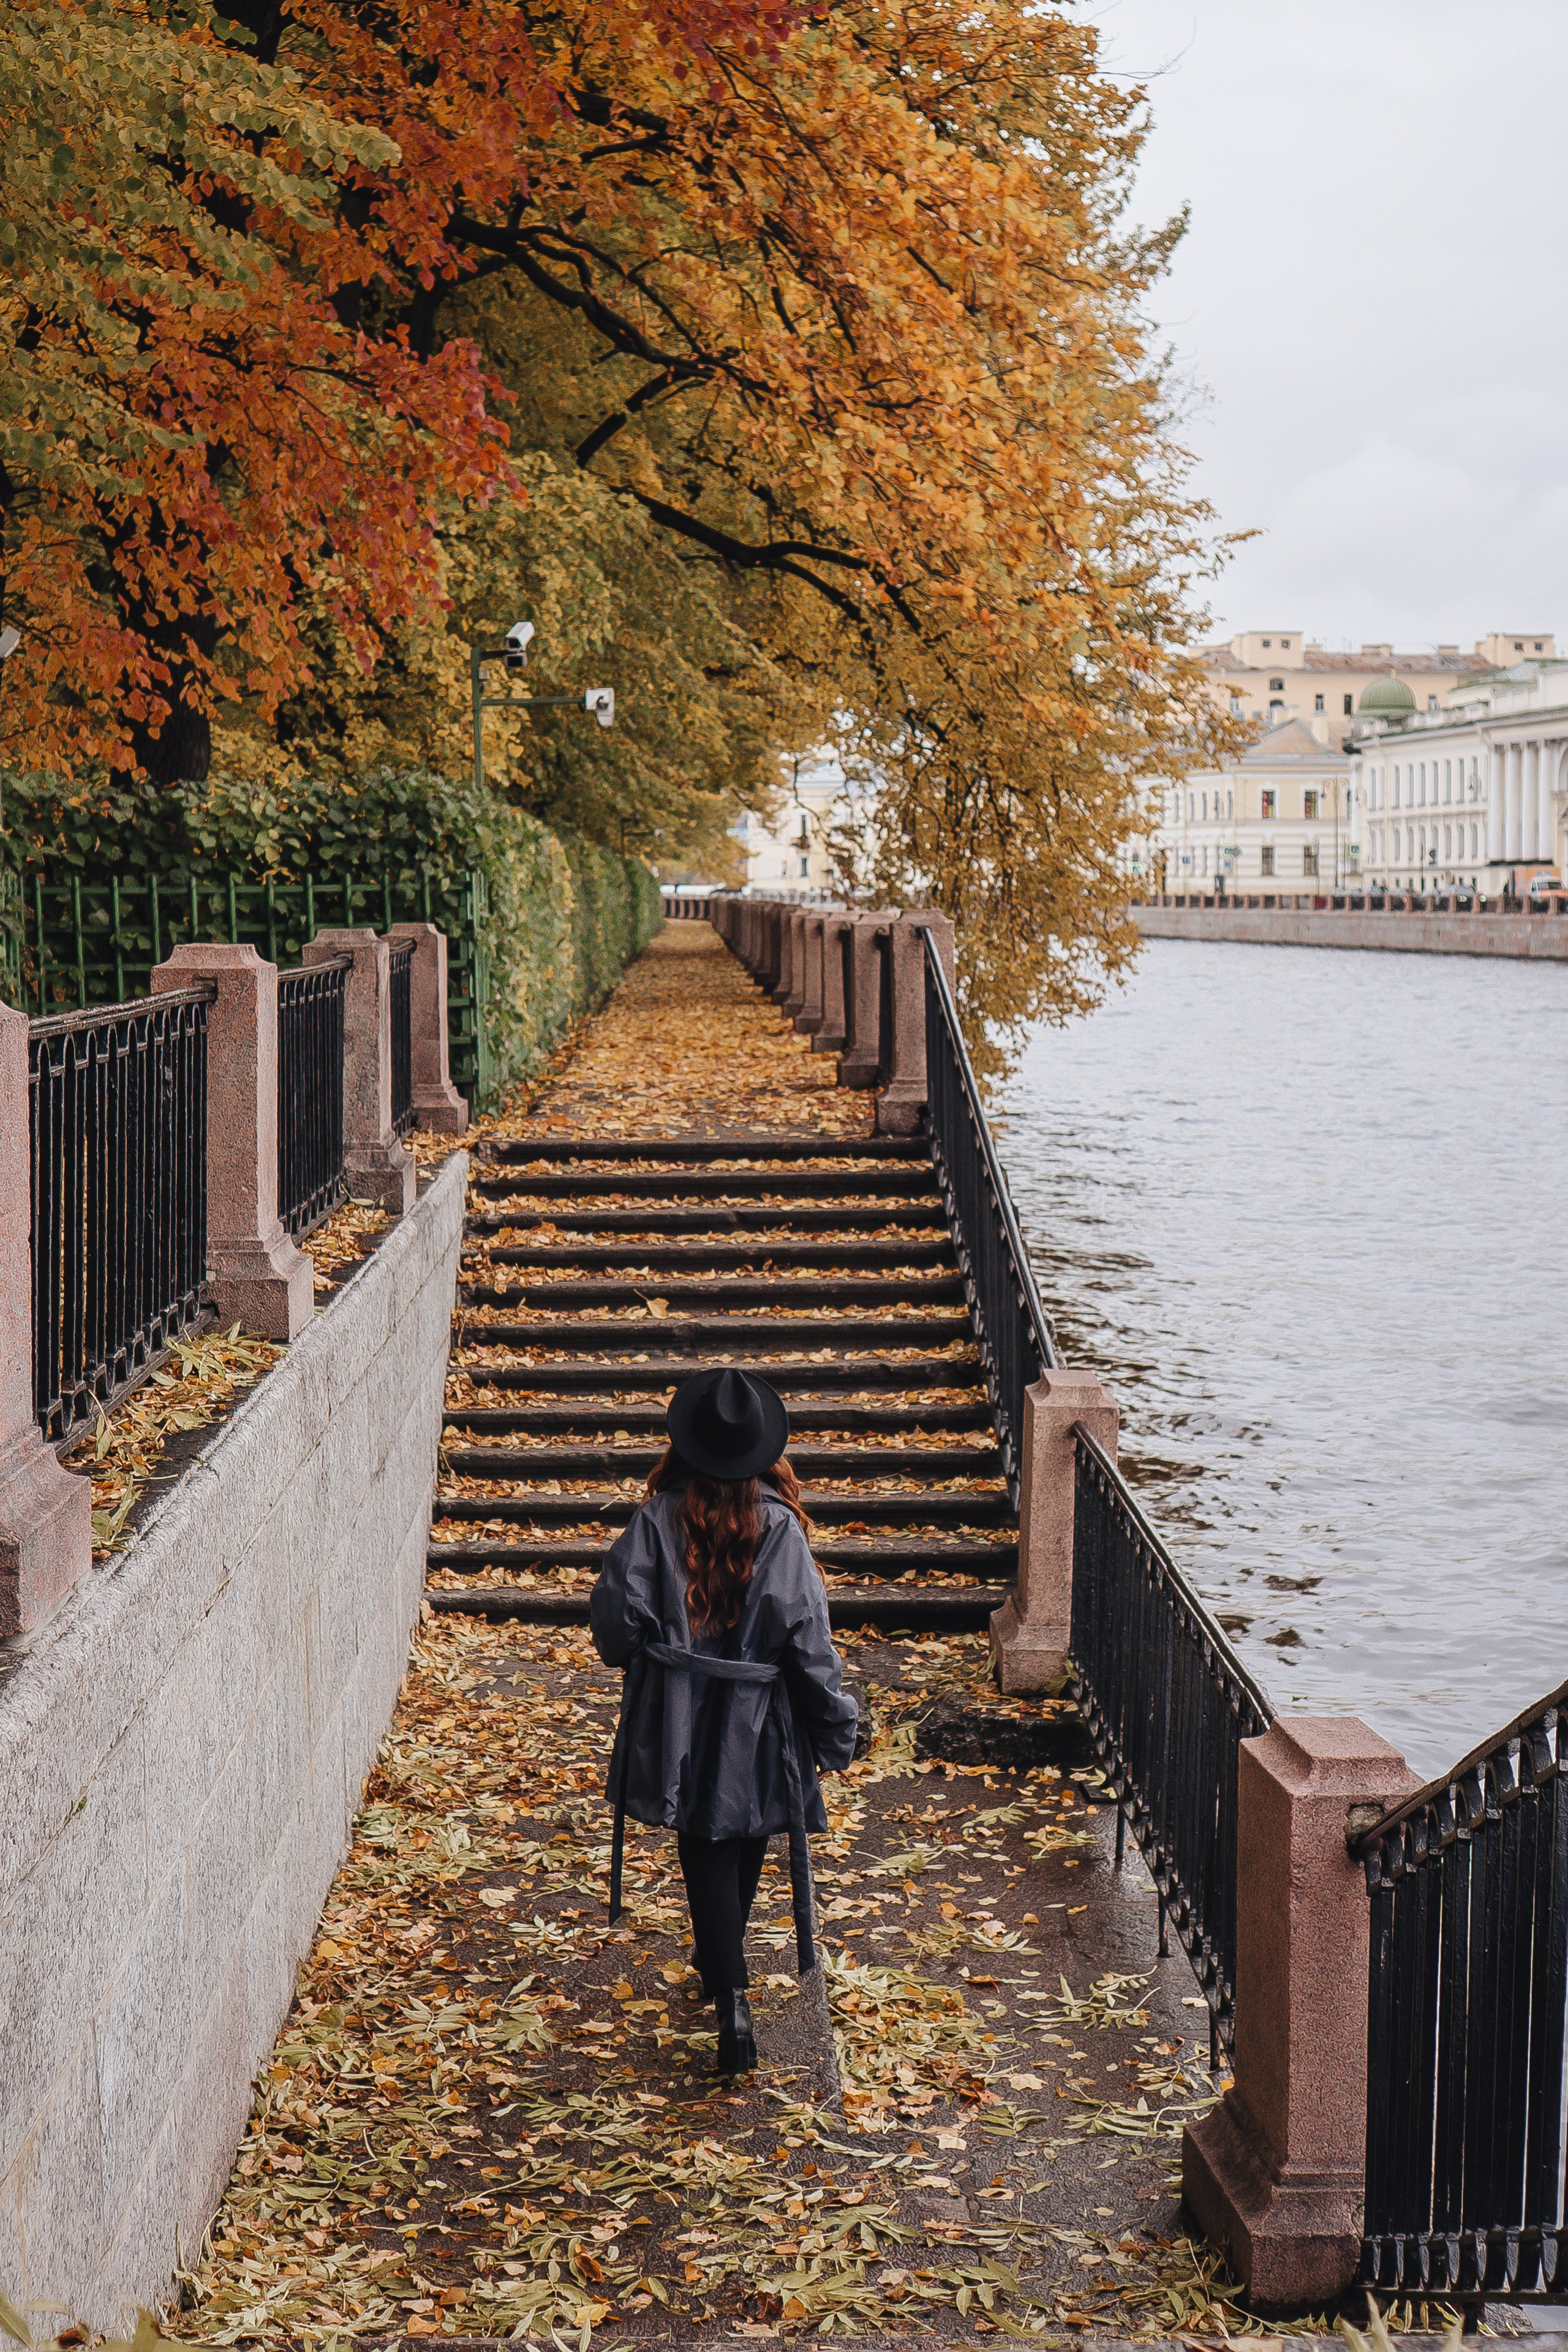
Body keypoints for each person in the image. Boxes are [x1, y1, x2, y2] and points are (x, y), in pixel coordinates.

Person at [589, 1366, 859, 2074]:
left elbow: (614, 1626)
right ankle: (722, 1973)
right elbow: (810, 1641)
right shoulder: (781, 1528)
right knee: (744, 1830)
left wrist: (657, 1650)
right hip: (762, 1717)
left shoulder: (656, 1520)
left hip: (677, 1711)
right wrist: (836, 1723)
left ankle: (728, 1991)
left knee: (704, 1835)